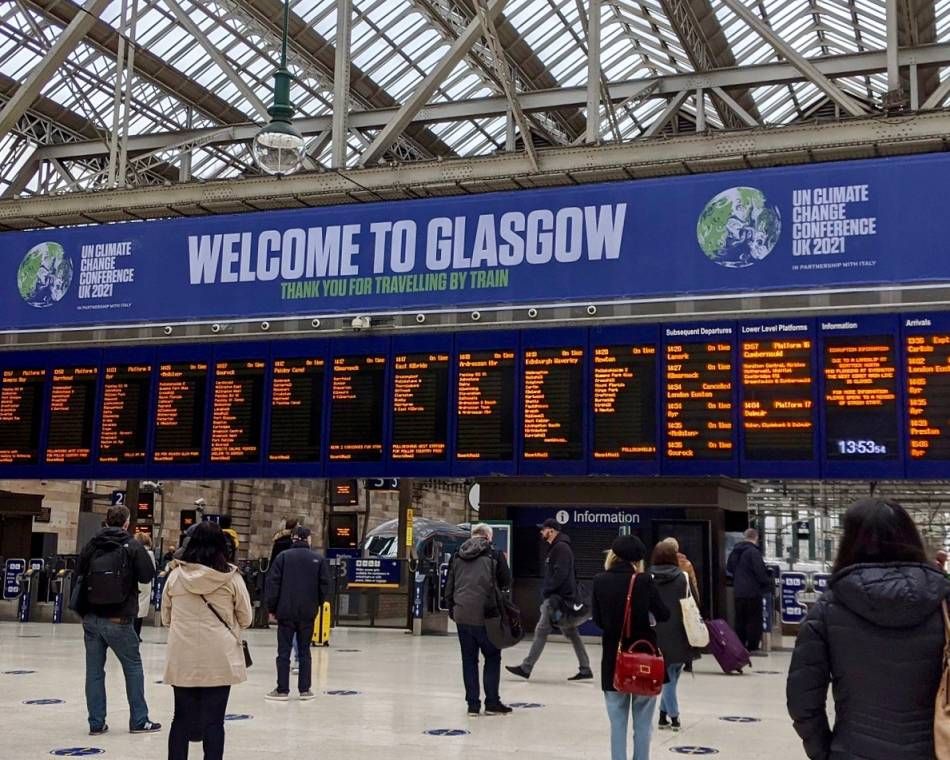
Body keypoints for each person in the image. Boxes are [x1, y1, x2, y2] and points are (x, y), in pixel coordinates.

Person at [787, 498, 950, 760]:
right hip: (932, 750)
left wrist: (824, 752)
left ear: (848, 542)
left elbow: (802, 698)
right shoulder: (943, 602)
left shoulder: (828, 608)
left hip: (853, 751)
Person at [162, 521, 252, 760]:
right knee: (214, 721)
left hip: (183, 656)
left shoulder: (175, 577)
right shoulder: (232, 578)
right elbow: (246, 618)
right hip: (219, 657)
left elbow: (165, 617)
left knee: (180, 719)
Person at [73, 505, 161, 736]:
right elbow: (147, 575)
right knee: (132, 667)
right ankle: (139, 720)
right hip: (119, 618)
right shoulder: (131, 545)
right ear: (126, 523)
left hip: (91, 618)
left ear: (106, 521)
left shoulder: (92, 544)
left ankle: (96, 722)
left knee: (94, 672)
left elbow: (78, 572)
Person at [593, 536, 670, 760]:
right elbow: (664, 613)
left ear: (613, 555)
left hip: (614, 661)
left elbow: (598, 620)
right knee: (643, 725)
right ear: (638, 560)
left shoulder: (599, 580)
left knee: (617, 725)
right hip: (643, 658)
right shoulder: (644, 581)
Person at [506, 518, 592, 681]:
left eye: (543, 529)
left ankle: (526, 667)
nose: (541, 532)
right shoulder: (557, 548)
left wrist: (547, 590)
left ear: (551, 531)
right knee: (572, 633)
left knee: (541, 631)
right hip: (559, 598)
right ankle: (585, 668)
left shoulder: (561, 548)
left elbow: (561, 574)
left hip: (556, 600)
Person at [444, 523, 513, 717]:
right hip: (487, 615)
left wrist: (453, 610)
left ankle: (473, 706)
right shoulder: (494, 554)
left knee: (469, 660)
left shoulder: (458, 554)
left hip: (462, 614)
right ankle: (492, 703)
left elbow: (449, 586)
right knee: (492, 657)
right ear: (488, 538)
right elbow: (506, 581)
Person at [264, 526, 330, 701]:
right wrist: (317, 604)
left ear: (293, 539)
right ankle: (305, 690)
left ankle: (282, 690)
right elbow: (324, 587)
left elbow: (273, 586)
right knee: (304, 651)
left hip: (285, 612)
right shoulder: (318, 559)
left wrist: (272, 608)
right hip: (308, 612)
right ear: (307, 539)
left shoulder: (282, 558)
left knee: (283, 652)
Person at [650, 541, 699, 733]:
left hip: (655, 634)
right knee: (671, 677)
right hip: (679, 633)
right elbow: (693, 603)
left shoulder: (648, 577)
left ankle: (663, 715)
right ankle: (674, 716)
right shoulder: (682, 578)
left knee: (669, 677)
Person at [725, 528, 769, 653]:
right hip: (753, 592)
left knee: (740, 620)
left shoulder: (735, 551)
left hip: (738, 591)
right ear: (755, 538)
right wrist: (766, 582)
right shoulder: (753, 552)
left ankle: (740, 644)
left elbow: (730, 568)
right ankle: (753, 646)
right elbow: (760, 572)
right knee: (754, 620)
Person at [133, 532, 156, 641]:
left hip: (133, 581)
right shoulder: (149, 553)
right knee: (141, 608)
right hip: (145, 583)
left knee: (132, 605)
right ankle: (137, 633)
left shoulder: (132, 550)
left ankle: (130, 632)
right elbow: (153, 569)